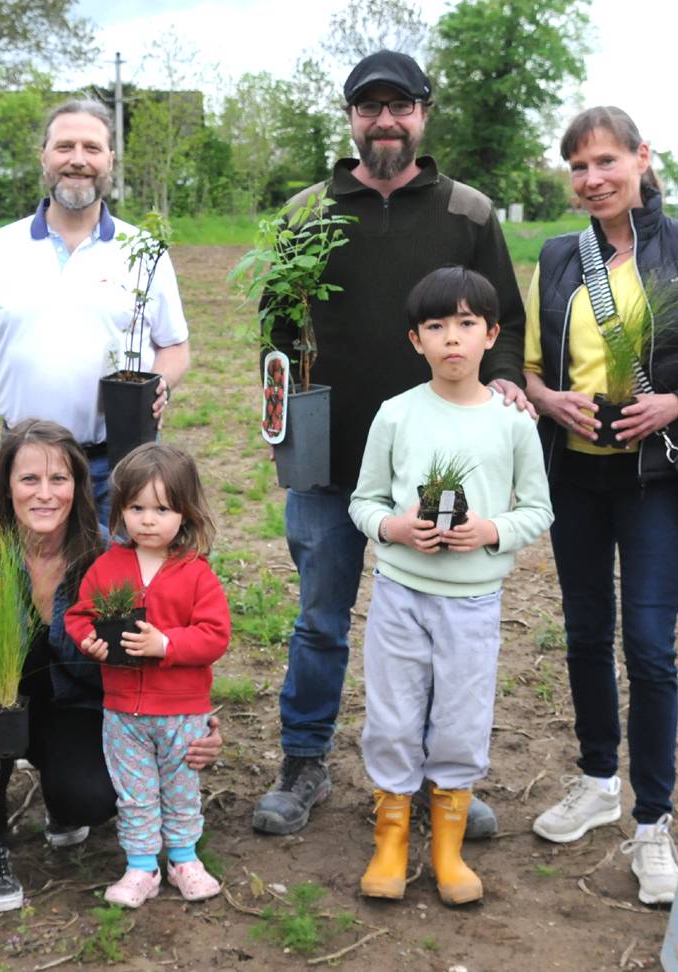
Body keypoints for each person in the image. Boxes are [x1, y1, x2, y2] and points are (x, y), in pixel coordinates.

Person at [254, 49, 533, 839]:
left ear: (423, 113)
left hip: (441, 463)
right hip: (330, 458)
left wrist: (505, 382)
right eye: (369, 108)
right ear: (350, 119)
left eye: (399, 106)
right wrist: (280, 411)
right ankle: (304, 761)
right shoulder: (307, 213)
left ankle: (437, 781)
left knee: (444, 627)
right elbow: (276, 330)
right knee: (320, 619)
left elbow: (502, 321)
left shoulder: (468, 214)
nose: (385, 121)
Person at [521, 107, 678, 905]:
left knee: (649, 646)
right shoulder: (556, 259)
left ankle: (652, 823)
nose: (593, 180)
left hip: (655, 478)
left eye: (606, 162)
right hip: (576, 477)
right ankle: (598, 781)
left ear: (640, 159)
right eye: (579, 167)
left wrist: (676, 403)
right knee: (586, 633)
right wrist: (550, 402)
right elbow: (526, 371)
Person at [0, 421, 224, 912]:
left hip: (77, 704)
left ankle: (63, 803)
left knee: (91, 800)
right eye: (29, 479)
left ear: (79, 486)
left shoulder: (111, 554)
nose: (45, 494)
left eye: (59, 479)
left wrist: (195, 718)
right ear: (5, 485)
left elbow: (166, 642)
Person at [348, 267, 553, 906]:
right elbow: (364, 500)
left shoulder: (514, 422)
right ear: (416, 341)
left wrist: (491, 530)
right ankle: (390, 837)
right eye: (436, 327)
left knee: (462, 719)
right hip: (399, 596)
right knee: (393, 714)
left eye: (467, 324)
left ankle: (447, 846)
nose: (452, 339)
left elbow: (539, 511)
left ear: (492, 334)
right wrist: (396, 528)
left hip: (474, 601)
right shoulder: (396, 415)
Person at [0, 99, 190, 524]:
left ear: (110, 160)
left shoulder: (144, 251)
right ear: (43, 156)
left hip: (116, 467)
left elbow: (174, 347)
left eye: (92, 148)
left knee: (113, 588)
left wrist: (161, 385)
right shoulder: (1, 248)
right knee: (29, 586)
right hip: (26, 468)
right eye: (64, 147)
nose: (78, 160)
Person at [67, 444, 231, 907]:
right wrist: (89, 641)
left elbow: (215, 635)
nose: (148, 520)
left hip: (181, 709)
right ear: (119, 510)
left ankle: (183, 858)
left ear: (185, 513)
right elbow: (81, 615)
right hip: (123, 711)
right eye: (136, 508)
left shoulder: (196, 574)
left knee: (180, 787)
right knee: (135, 792)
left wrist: (168, 645)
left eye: (162, 509)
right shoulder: (109, 566)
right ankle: (141, 867)